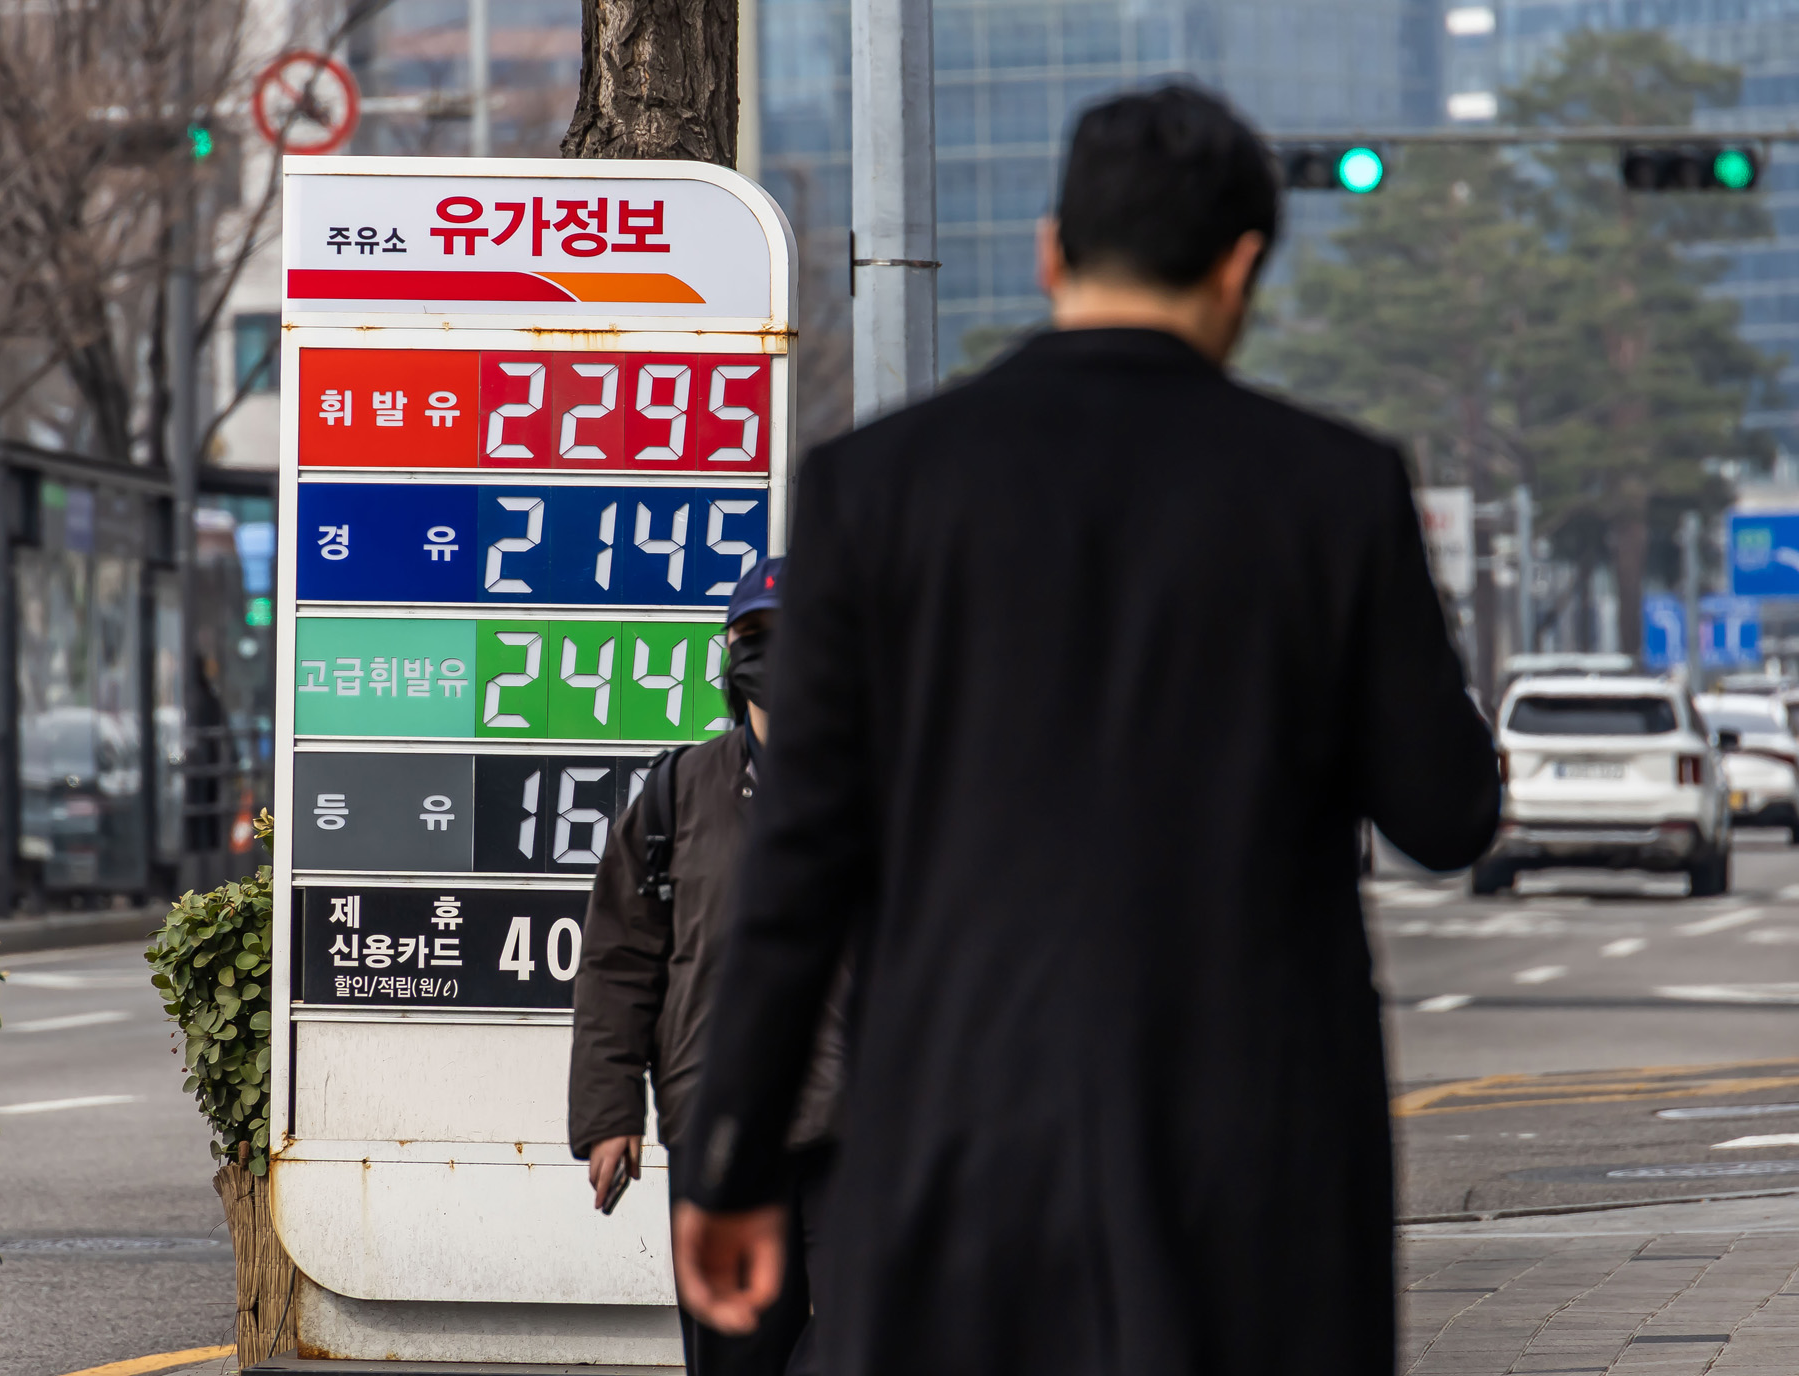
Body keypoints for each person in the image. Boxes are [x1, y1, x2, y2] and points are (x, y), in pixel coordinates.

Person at [670, 85, 1502, 1376]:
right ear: (1241, 267)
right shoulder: (1332, 490)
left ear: (1050, 250)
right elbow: (1445, 816)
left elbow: (798, 867)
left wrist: (730, 1161)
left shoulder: (875, 490)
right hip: (1256, 1159)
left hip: (957, 1141)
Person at [568, 556, 841, 1376]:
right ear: (730, 651)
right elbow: (619, 961)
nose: (776, 652)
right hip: (719, 1123)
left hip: (862, 1125)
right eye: (757, 634)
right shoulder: (677, 793)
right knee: (734, 1355)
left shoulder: (890, 788)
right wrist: (609, 1113)